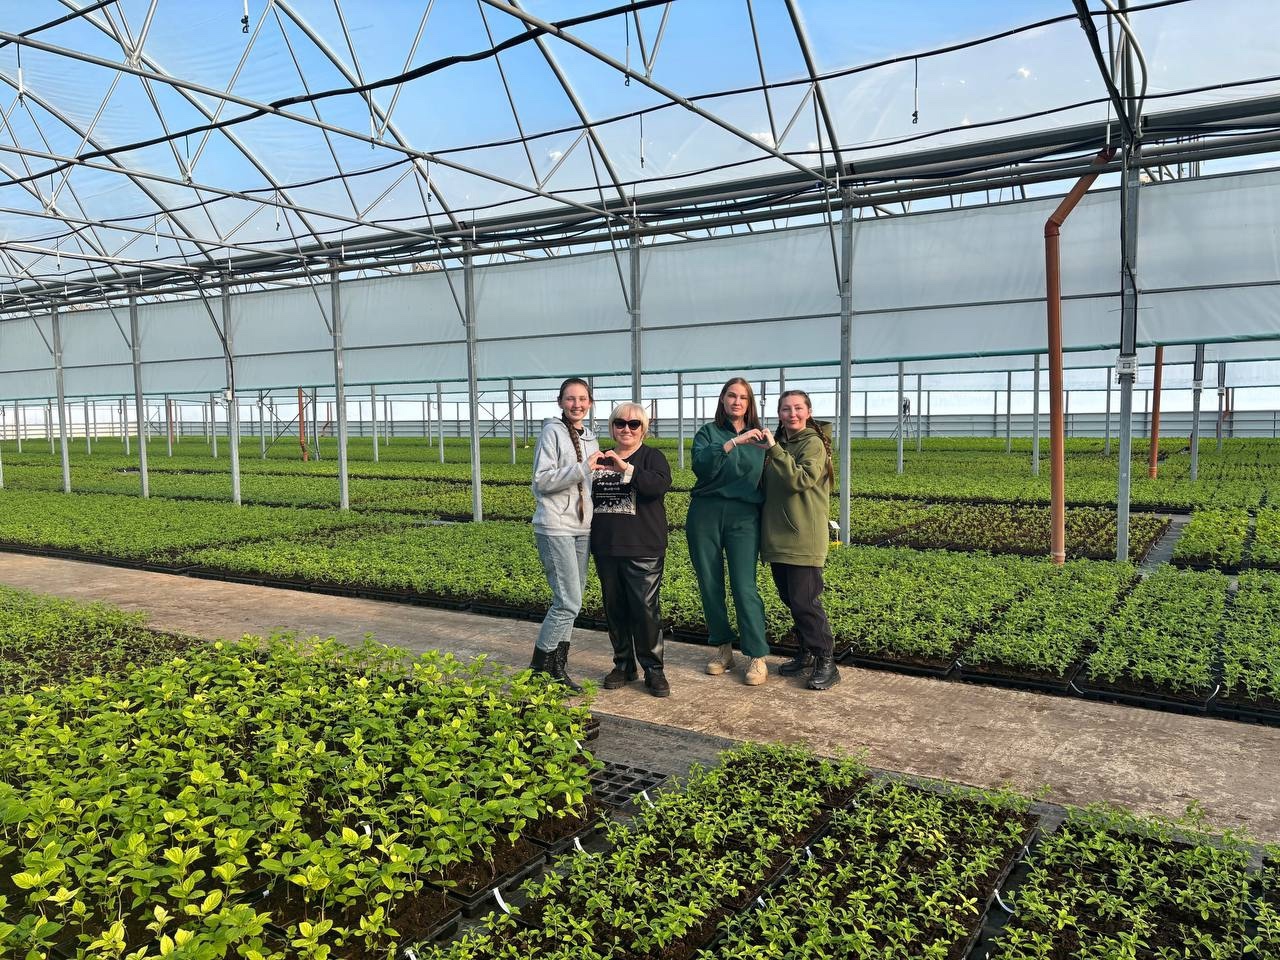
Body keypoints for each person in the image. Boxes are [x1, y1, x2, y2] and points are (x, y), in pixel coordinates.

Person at [687, 377, 771, 686]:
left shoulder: (762, 438)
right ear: (722, 399)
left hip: (744, 515)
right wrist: (734, 442)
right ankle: (723, 649)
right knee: (710, 582)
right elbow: (701, 466)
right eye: (731, 395)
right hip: (706, 512)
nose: (737, 401)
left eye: (743, 397)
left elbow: (772, 476)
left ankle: (757, 654)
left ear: (749, 404)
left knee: (744, 584)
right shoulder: (708, 433)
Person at [758, 389, 841, 691]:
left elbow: (801, 480)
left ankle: (826, 660)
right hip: (778, 536)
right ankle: (807, 652)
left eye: (797, 408)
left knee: (805, 602)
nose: (791, 414)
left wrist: (774, 450)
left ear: (808, 412)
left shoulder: (812, 443)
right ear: (779, 414)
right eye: (785, 409)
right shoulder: (780, 443)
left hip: (803, 536)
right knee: (791, 599)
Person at [590, 402, 673, 697]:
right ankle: (623, 664)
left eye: (634, 424)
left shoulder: (652, 457)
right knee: (615, 609)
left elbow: (657, 486)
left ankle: (653, 669)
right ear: (612, 427)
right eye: (620, 423)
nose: (626, 428)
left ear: (643, 429)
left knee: (645, 610)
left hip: (643, 547)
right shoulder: (599, 458)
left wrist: (626, 468)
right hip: (607, 546)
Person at [531, 377, 601, 691]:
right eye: (570, 399)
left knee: (574, 600)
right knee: (568, 602)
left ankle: (557, 668)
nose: (577, 404)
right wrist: (584, 468)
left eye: (582, 399)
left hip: (582, 528)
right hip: (556, 525)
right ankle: (539, 668)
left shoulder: (591, 438)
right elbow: (541, 481)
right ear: (560, 402)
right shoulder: (552, 432)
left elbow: (588, 482)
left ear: (590, 403)